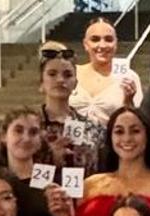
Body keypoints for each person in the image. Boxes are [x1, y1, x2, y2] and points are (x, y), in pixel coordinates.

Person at [38, 40, 106, 177]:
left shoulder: (93, 128)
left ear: (75, 83)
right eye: (52, 74)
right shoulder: (28, 128)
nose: (60, 80)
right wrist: (49, 157)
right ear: (41, 81)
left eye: (67, 75)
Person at [70, 17, 143, 126]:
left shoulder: (129, 77)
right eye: (95, 39)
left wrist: (129, 101)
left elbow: (137, 122)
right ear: (85, 44)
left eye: (108, 39)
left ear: (116, 44)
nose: (102, 45)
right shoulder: (71, 73)